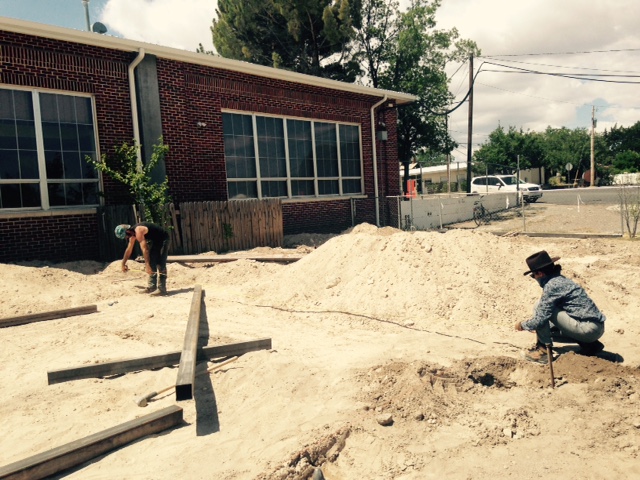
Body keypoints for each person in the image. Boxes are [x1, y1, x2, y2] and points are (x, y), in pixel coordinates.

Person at [515, 250, 606, 364]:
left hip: (588, 329)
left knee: (539, 307)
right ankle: (591, 346)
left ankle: (543, 353)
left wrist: (523, 325)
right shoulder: (560, 280)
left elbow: (540, 320)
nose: (535, 278)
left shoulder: (552, 285)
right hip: (596, 328)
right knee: (549, 330)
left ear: (540, 274)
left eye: (534, 275)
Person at [115, 222, 170, 295]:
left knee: (161, 262)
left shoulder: (139, 230)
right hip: (156, 240)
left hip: (163, 239)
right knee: (151, 261)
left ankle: (162, 289)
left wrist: (147, 265)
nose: (127, 238)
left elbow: (145, 249)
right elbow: (129, 249)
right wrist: (123, 263)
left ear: (128, 231)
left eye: (126, 235)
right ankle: (152, 287)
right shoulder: (132, 234)